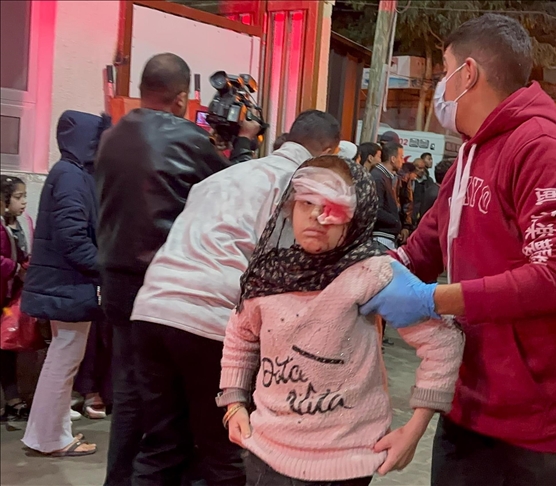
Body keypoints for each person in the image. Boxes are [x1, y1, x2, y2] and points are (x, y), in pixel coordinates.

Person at [360, 14, 556, 486]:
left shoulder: (543, 151)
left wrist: (433, 299)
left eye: (444, 72)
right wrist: (359, 277)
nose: (440, 87)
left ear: (467, 73)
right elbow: (423, 248)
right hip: (469, 400)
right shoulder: (469, 156)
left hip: (538, 421)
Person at [218, 155, 464, 486]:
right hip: (267, 454)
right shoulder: (270, 274)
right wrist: (233, 401)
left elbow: (442, 342)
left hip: (345, 463)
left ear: (356, 215)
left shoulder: (371, 275)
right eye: (306, 202)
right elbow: (241, 334)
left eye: (333, 206)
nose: (316, 216)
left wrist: (415, 429)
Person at [127, 110, 340, 485]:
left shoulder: (223, 176)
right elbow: (285, 272)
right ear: (330, 151)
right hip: (211, 321)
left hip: (152, 309)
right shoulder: (298, 188)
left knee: (161, 445)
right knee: (224, 448)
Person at [95, 52, 259, 485]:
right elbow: (233, 188)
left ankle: (119, 478)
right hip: (165, 283)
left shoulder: (112, 135)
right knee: (170, 405)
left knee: (131, 396)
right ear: (182, 97)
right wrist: (244, 143)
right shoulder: (188, 138)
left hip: (115, 280)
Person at [20, 110, 110, 457]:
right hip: (68, 283)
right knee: (64, 359)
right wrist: (104, 268)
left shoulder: (69, 172)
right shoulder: (71, 175)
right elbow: (72, 237)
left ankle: (46, 433)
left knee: (61, 358)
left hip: (65, 282)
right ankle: (50, 438)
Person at [0, 176, 33, 423]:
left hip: (11, 295)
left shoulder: (24, 224)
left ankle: (12, 399)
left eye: (24, 197)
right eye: (18, 197)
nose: (23, 202)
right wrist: (15, 269)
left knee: (7, 347)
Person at [370, 141, 406, 251]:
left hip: (387, 237)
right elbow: (376, 209)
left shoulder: (388, 177)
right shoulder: (378, 177)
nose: (403, 161)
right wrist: (396, 222)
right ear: (393, 159)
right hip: (380, 238)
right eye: (401, 157)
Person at [412, 152, 439, 223]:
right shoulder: (409, 181)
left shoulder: (429, 181)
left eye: (423, 168)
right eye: (419, 168)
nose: (422, 170)